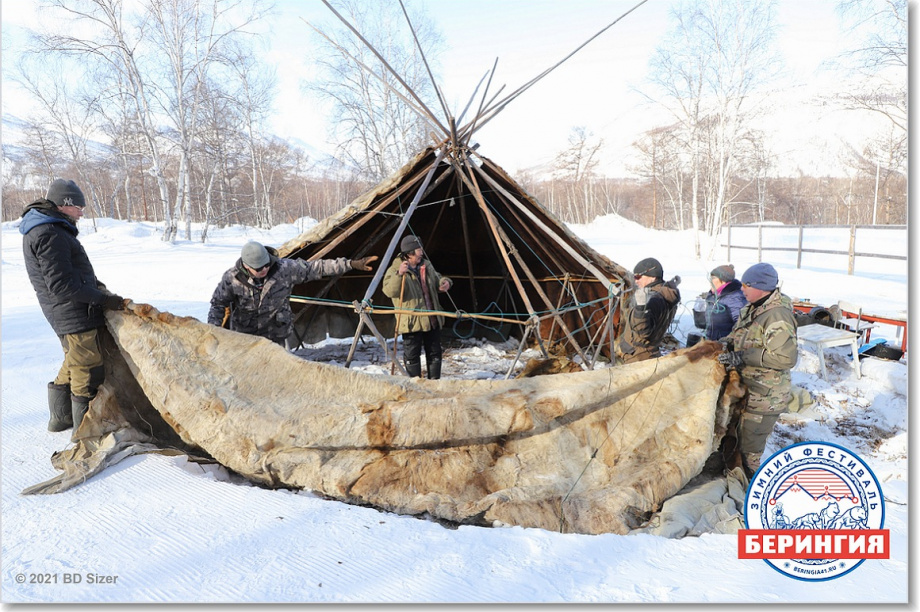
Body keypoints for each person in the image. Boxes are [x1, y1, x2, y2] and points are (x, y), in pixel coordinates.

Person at [20, 179, 125, 435]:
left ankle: (60, 419)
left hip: (68, 309)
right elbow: (61, 285)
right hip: (71, 310)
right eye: (78, 206)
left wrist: (99, 289)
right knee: (86, 367)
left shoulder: (52, 228)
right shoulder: (49, 233)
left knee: (74, 360)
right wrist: (102, 300)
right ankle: (85, 430)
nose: (81, 211)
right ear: (64, 204)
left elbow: (71, 274)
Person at [207, 241, 377, 346]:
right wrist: (213, 330)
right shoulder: (232, 278)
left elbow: (316, 267)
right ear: (246, 266)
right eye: (259, 268)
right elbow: (218, 304)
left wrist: (352, 264)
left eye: (266, 265)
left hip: (275, 336)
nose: (265, 269)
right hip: (244, 336)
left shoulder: (284, 269)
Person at [718, 262, 798, 475]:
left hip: (764, 397)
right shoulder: (752, 308)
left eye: (746, 285)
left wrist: (742, 356)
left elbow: (785, 358)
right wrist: (720, 345)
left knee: (748, 451)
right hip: (746, 389)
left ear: (762, 287)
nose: (741, 289)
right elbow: (738, 336)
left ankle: (751, 489)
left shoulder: (777, 316)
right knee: (735, 441)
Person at [382, 235, 452, 379]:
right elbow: (389, 291)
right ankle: (414, 386)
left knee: (434, 353)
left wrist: (445, 282)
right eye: (418, 250)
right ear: (409, 254)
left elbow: (437, 279)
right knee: (412, 355)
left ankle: (434, 383)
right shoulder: (396, 269)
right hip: (412, 322)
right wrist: (399, 274)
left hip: (431, 318)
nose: (421, 253)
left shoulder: (426, 265)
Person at [616, 257, 681, 364]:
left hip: (638, 357)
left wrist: (641, 308)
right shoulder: (665, 292)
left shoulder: (653, 299)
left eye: (638, 276)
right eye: (634, 276)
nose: (635, 281)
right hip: (647, 354)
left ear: (653, 277)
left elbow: (643, 333)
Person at [697, 264, 747, 341]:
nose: (710, 281)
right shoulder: (713, 296)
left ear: (723, 281)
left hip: (725, 346)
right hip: (711, 343)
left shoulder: (735, 298)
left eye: (713, 278)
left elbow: (741, 326)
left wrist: (727, 342)